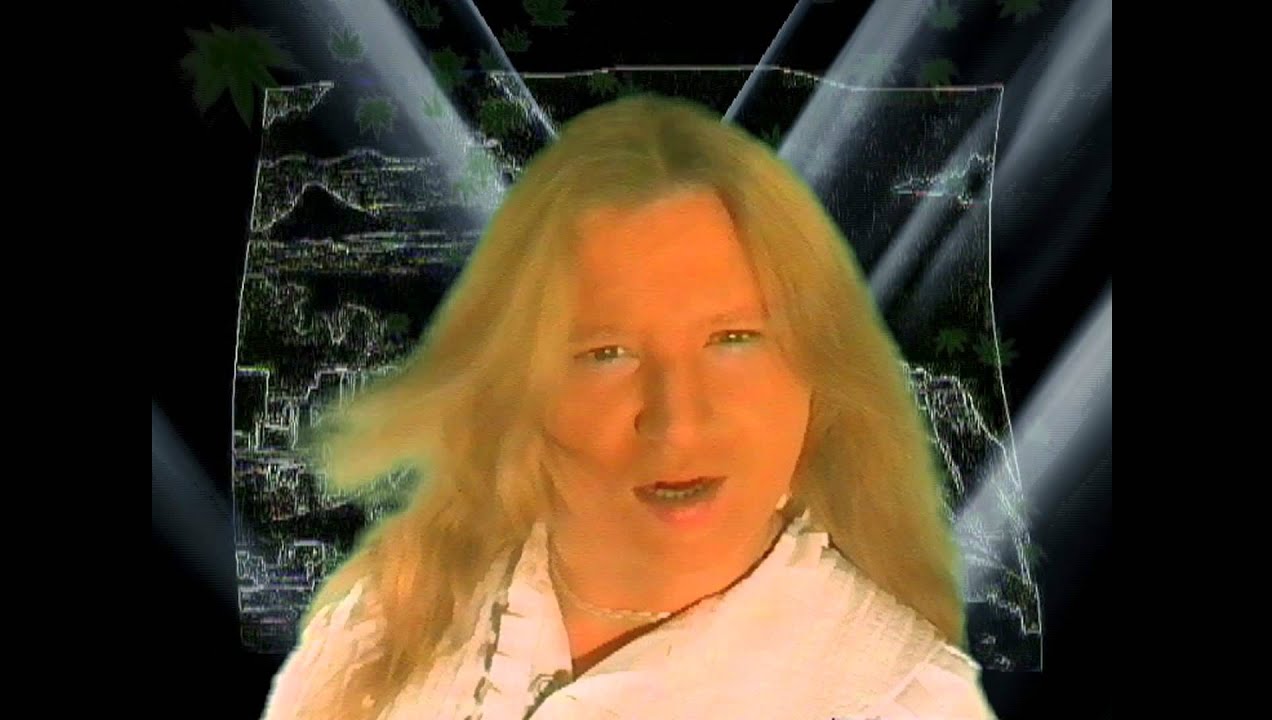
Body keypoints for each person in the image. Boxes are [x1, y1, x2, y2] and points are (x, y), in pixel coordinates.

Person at [261, 93, 998, 720]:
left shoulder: (901, 701)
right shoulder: (381, 634)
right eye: (607, 353)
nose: (677, 420)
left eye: (733, 339)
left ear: (819, 370)